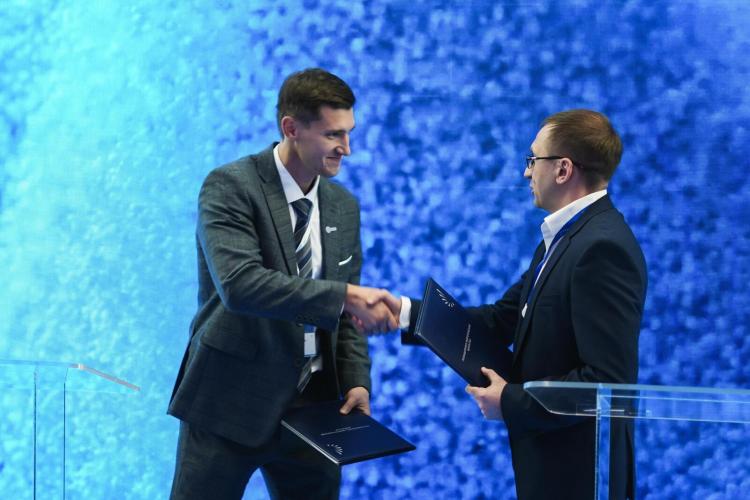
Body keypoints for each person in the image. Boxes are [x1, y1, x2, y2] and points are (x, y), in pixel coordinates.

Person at [388, 109, 647, 500]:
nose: (527, 173)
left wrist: (510, 402)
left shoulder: (602, 248)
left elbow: (608, 381)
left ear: (563, 169)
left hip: (582, 475)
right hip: (551, 467)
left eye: (533, 160)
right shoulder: (564, 239)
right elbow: (501, 319)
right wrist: (403, 313)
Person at [167, 68, 398, 500]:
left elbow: (344, 318)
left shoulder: (343, 206)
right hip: (229, 404)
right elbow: (241, 285)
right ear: (291, 128)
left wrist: (356, 382)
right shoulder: (230, 186)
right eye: (333, 135)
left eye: (349, 133)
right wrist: (345, 296)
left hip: (315, 409)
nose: (347, 148)